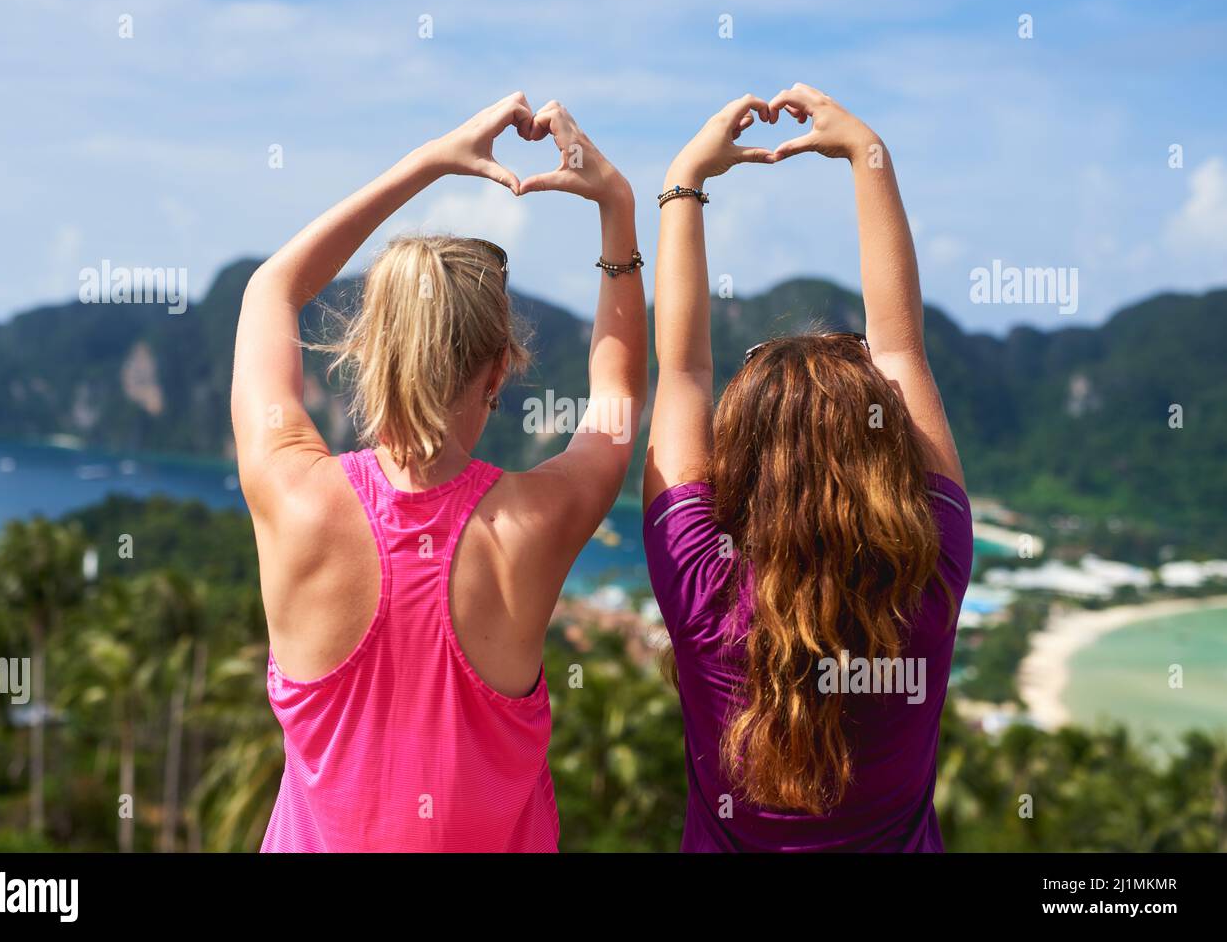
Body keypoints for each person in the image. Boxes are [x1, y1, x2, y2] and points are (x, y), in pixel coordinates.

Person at [232, 93, 646, 851]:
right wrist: (614, 205)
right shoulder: (532, 524)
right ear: (497, 371)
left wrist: (429, 160)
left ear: (367, 350)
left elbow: (272, 290)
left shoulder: (291, 496)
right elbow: (617, 397)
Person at [643, 84, 973, 851]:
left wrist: (686, 177)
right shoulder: (928, 576)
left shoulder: (702, 585)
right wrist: (867, 153)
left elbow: (684, 370)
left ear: (744, 452)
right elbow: (901, 348)